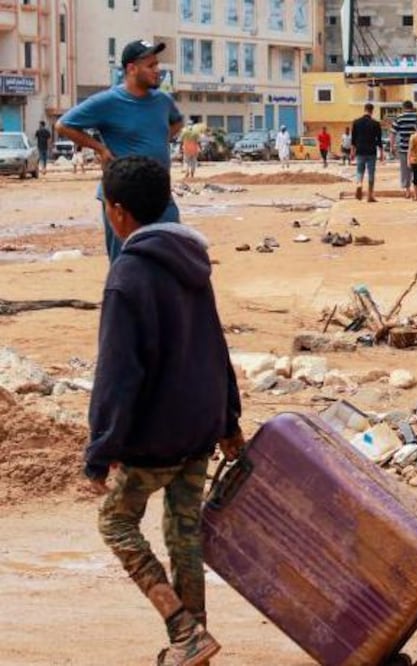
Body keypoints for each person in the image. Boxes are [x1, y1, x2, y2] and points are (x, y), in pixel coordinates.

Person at [84, 155, 244, 666]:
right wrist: (229, 421)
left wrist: (101, 449)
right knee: (184, 534)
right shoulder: (193, 261)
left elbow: (117, 375)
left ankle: (181, 628)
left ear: (117, 212)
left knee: (116, 522)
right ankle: (194, 643)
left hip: (154, 437)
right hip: (199, 425)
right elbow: (215, 344)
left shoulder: (126, 276)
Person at [56, 39, 184, 263]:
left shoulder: (163, 101)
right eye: (151, 66)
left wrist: (158, 140)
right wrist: (100, 149)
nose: (158, 71)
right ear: (131, 69)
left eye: (157, 65)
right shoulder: (107, 101)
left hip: (160, 194)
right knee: (126, 262)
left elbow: (177, 122)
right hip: (123, 199)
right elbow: (63, 125)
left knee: (173, 258)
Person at [350, 103, 383, 202]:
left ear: (364, 109)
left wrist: (352, 152)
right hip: (371, 151)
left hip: (360, 150)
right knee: (371, 173)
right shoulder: (376, 123)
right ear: (372, 111)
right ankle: (370, 195)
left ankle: (359, 183)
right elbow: (379, 140)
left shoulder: (356, 122)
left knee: (360, 170)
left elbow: (353, 139)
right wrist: (381, 153)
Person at [392, 100, 417, 199]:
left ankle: (407, 191)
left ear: (403, 107)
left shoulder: (399, 118)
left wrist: (392, 145)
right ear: (412, 107)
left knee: (405, 170)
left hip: (404, 148)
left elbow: (393, 133)